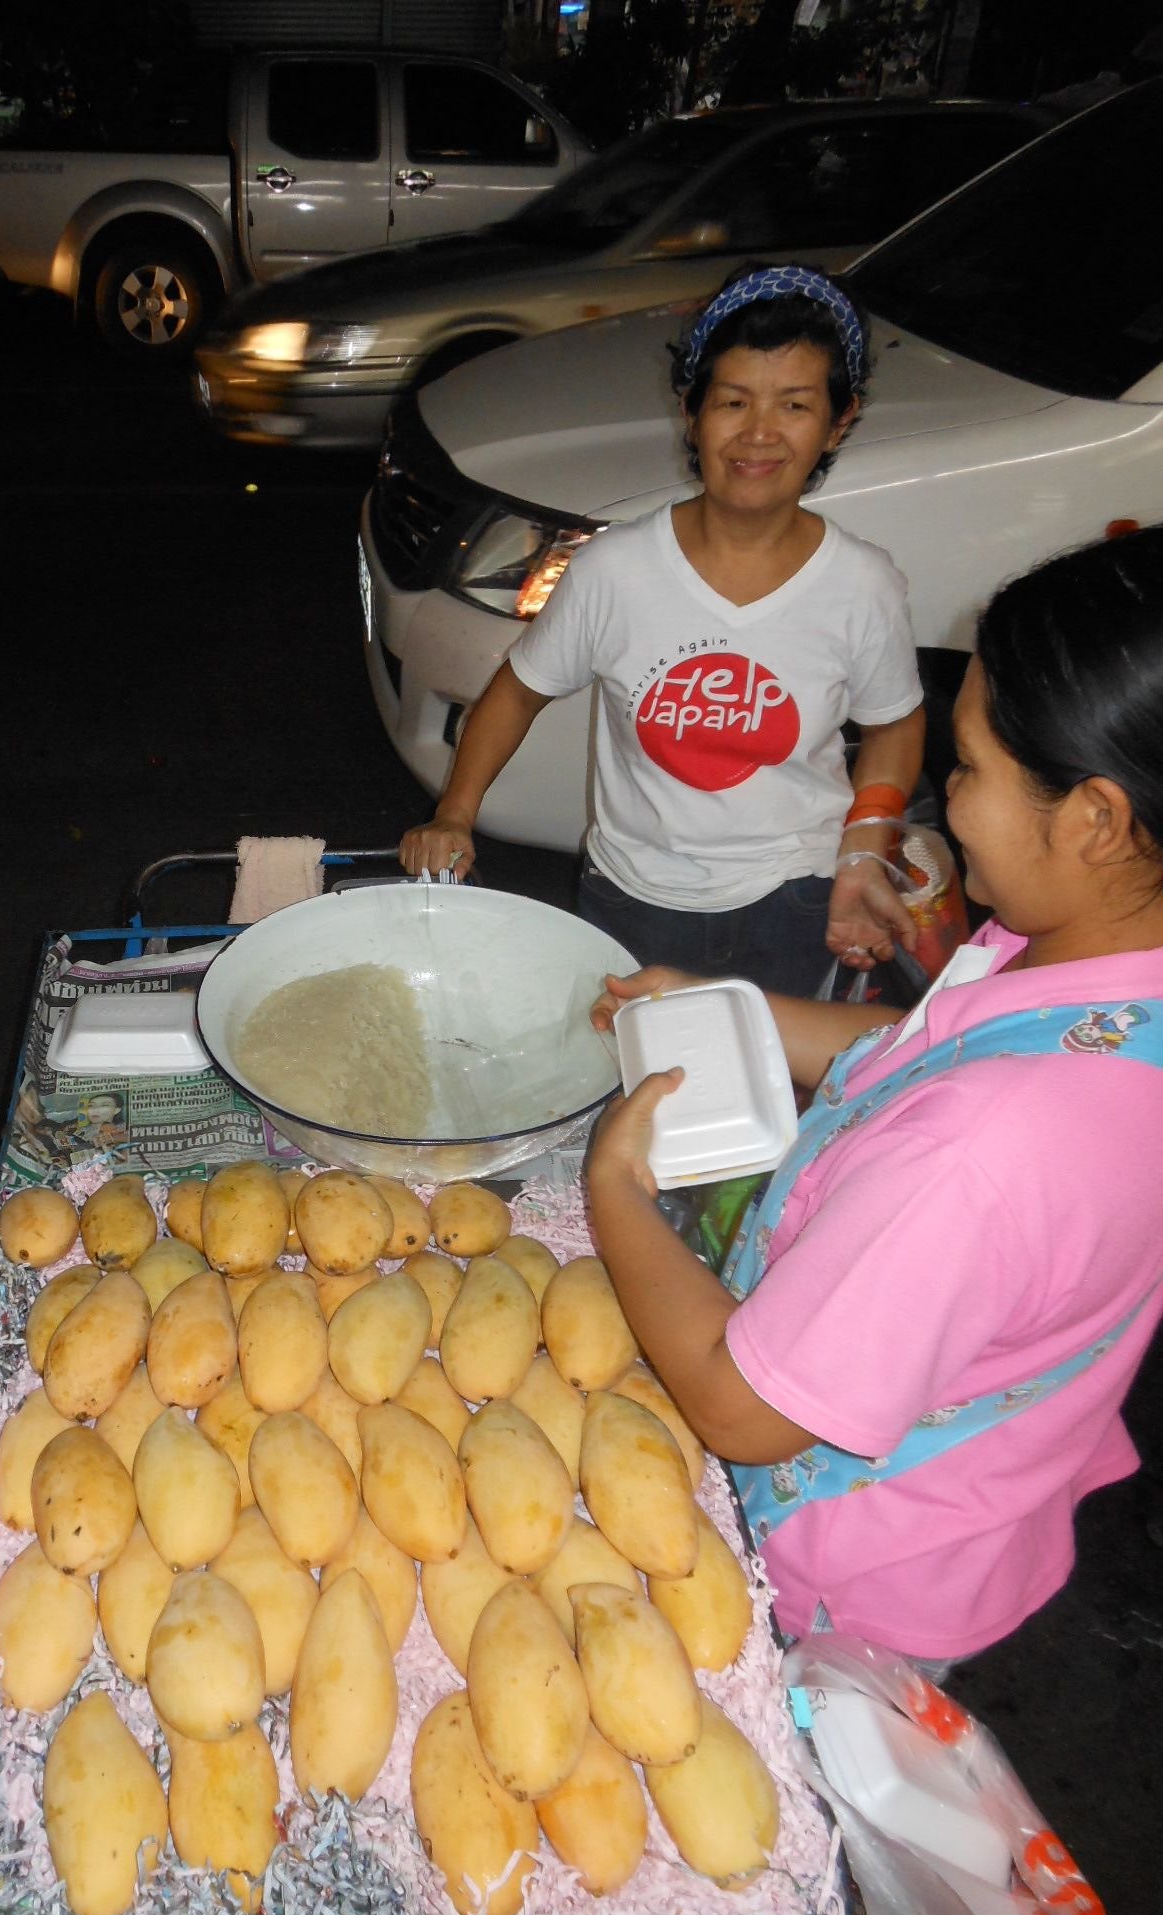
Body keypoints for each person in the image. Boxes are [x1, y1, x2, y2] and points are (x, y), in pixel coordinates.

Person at [585, 524, 1163, 1665]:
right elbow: (927, 1038)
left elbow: (743, 1408)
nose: (945, 798)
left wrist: (611, 1185)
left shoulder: (986, 1150)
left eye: (970, 767)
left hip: (846, 1580)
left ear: (1094, 817)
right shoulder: (1088, 971)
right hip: (973, 1504)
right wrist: (729, 1003)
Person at [399, 264, 926, 999]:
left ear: (840, 420)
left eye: (796, 405)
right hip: (633, 896)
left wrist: (867, 845)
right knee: (633, 1086)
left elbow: (896, 721)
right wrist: (454, 815)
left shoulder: (862, 583)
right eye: (733, 401)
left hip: (797, 895)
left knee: (777, 1098)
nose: (759, 433)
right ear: (692, 412)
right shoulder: (615, 569)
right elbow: (516, 693)